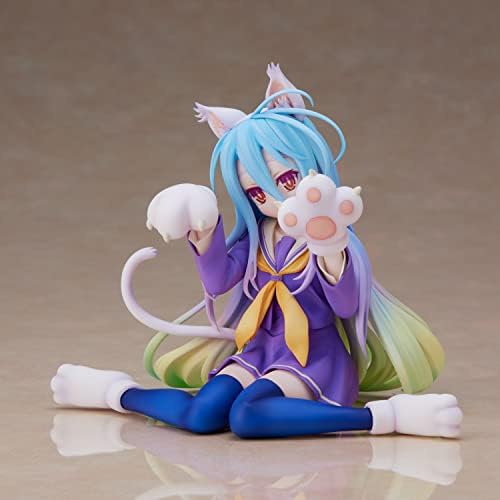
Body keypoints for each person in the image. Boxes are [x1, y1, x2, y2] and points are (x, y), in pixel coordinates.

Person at [51, 64, 462, 439]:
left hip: (312, 356)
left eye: (285, 180)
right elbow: (218, 281)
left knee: (247, 417)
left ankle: (382, 418)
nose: (272, 198)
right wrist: (205, 229)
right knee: (201, 416)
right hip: (258, 350)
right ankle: (114, 392)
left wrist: (328, 244)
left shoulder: (327, 231)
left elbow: (345, 304)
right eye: (256, 192)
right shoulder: (258, 235)